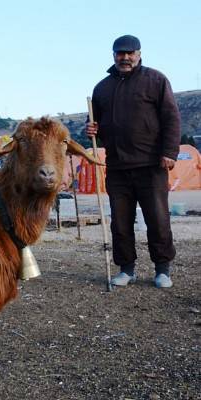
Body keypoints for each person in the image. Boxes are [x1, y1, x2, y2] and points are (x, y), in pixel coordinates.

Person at [86, 35, 181, 288]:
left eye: (130, 53)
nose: (125, 57)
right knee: (120, 221)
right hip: (117, 167)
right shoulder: (102, 88)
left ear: (139, 54)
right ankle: (126, 269)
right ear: (113, 55)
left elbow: (171, 118)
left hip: (151, 165)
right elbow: (98, 125)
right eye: (120, 53)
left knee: (158, 219)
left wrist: (170, 152)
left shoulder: (156, 80)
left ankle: (162, 270)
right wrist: (93, 130)